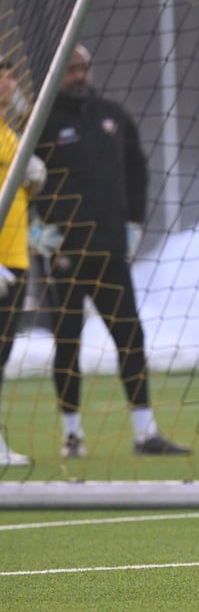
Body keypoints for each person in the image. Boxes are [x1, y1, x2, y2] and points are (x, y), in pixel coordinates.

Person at [31, 44, 189, 458]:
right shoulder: (42, 123)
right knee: (68, 342)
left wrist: (134, 223)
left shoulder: (113, 116)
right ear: (57, 73)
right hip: (63, 254)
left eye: (84, 67)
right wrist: (35, 225)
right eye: (71, 69)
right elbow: (22, 178)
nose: (79, 75)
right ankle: (72, 435)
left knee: (130, 336)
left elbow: (138, 170)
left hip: (110, 251)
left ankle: (145, 433)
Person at [0, 56, 48, 467]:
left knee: (2, 355)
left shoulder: (10, 132)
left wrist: (32, 179)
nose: (7, 82)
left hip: (15, 257)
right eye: (0, 76)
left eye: (10, 75)